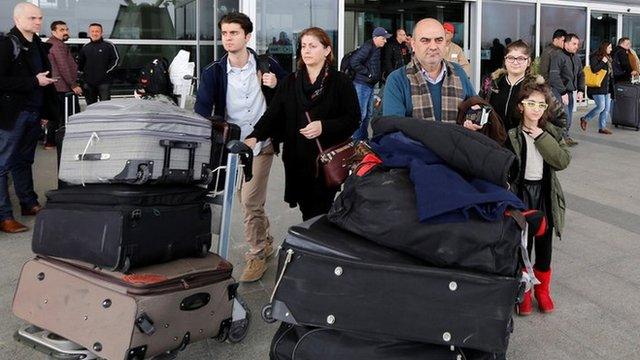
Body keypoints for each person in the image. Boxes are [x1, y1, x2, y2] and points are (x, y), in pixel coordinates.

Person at [194, 12, 286, 283]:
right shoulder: (213, 71)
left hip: (262, 143)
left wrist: (277, 84)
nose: (228, 38)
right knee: (248, 200)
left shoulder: (268, 65)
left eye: (234, 33)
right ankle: (266, 238)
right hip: (232, 147)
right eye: (225, 33)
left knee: (248, 200)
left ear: (247, 37)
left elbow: (293, 91)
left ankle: (257, 253)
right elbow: (202, 110)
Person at [244, 27, 359, 222]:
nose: (306, 51)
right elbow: (273, 114)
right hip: (297, 160)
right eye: (303, 46)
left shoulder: (340, 81)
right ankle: (315, 244)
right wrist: (255, 135)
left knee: (319, 211)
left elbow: (353, 118)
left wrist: (324, 126)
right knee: (307, 211)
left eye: (312, 46)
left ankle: (316, 247)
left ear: (327, 50)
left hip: (325, 159)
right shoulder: (291, 81)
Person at [506, 81, 570, 316]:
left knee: (544, 247)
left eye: (541, 104)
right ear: (521, 106)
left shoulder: (550, 132)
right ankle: (524, 292)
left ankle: (543, 291)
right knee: (522, 246)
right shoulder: (512, 135)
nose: (535, 109)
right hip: (521, 195)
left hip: (544, 194)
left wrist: (542, 136)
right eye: (530, 103)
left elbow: (562, 160)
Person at [0, 2, 59, 233]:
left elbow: (43, 80)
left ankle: (28, 203)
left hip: (33, 113)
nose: (38, 22)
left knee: (24, 161)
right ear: (17, 20)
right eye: (33, 18)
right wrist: (34, 82)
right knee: (3, 165)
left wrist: (44, 112)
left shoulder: (37, 44)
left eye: (40, 18)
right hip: (12, 116)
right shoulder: (6, 45)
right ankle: (4, 216)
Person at [383, 18, 475, 124]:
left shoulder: (458, 72)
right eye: (425, 40)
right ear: (413, 44)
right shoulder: (397, 80)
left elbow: (476, 106)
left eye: (439, 40)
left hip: (457, 141)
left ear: (445, 43)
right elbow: (393, 131)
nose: (433, 46)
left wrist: (472, 119)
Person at [480, 40, 566, 132]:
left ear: (528, 62)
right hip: (492, 141)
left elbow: (560, 117)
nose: (515, 62)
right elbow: (479, 106)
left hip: (522, 143)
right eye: (511, 58)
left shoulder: (537, 87)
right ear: (505, 60)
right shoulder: (492, 84)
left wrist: (544, 137)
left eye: (521, 58)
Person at [350, 26, 390, 141]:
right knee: (361, 114)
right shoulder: (367, 47)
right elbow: (354, 62)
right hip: (362, 85)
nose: (385, 41)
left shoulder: (376, 48)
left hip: (369, 85)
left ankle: (363, 138)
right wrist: (368, 74)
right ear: (376, 37)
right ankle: (355, 140)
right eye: (383, 38)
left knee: (368, 114)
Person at [46, 20, 81, 148]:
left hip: (57, 86)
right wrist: (73, 85)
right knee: (67, 115)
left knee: (55, 115)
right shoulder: (56, 45)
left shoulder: (54, 43)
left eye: (66, 29)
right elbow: (63, 67)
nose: (66, 32)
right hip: (61, 87)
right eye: (62, 30)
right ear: (53, 31)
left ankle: (51, 142)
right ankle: (61, 142)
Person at [548, 33, 584, 146]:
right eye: (574, 44)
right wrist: (563, 92)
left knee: (569, 117)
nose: (576, 46)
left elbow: (581, 74)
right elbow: (554, 76)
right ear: (566, 43)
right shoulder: (558, 56)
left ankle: (565, 137)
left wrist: (581, 90)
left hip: (569, 92)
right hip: (559, 92)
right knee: (564, 116)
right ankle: (560, 139)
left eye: (577, 44)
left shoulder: (577, 58)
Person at [78, 23, 119, 105]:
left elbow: (116, 60)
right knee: (91, 106)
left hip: (104, 83)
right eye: (92, 31)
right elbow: (80, 63)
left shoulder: (109, 45)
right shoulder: (85, 47)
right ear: (89, 33)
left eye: (97, 31)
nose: (94, 33)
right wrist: (82, 76)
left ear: (101, 32)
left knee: (105, 106)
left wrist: (107, 73)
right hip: (88, 83)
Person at [580, 41, 615, 135]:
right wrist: (603, 62)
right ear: (604, 47)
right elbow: (594, 69)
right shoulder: (595, 56)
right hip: (597, 87)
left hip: (607, 87)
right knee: (601, 107)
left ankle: (602, 128)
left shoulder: (609, 58)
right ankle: (585, 118)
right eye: (610, 47)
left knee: (606, 109)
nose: (611, 49)